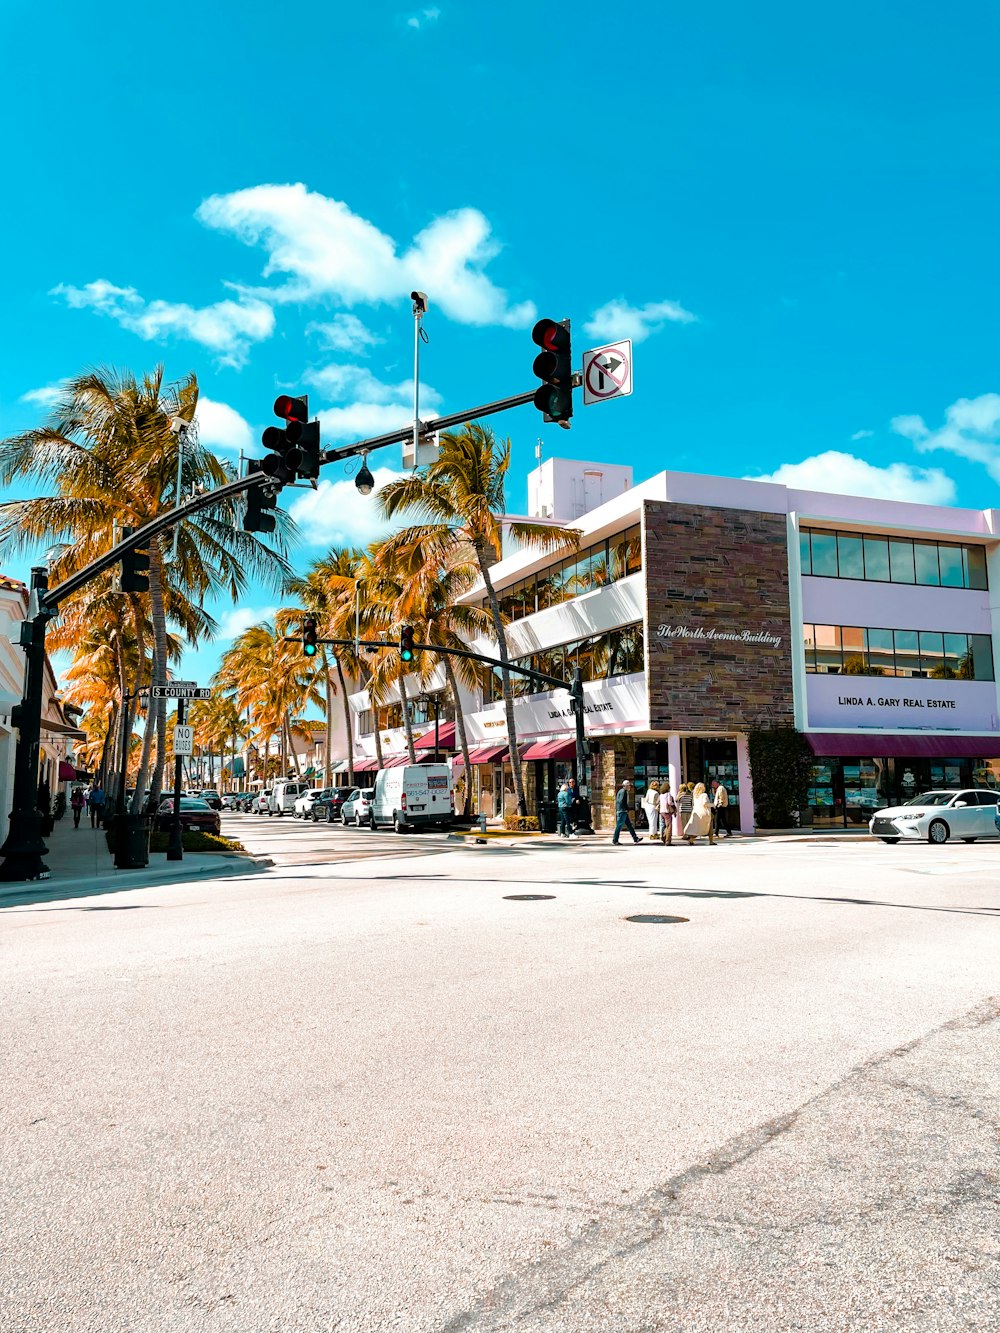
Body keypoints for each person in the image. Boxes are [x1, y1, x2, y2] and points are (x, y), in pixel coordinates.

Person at [683, 781, 716, 846]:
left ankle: (691, 840)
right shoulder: (704, 795)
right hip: (704, 813)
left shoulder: (695, 796)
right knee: (710, 826)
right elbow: (705, 803)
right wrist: (713, 805)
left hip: (697, 813)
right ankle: (711, 841)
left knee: (696, 828)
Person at [612, 779, 642, 845]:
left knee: (629, 825)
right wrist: (626, 808)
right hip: (622, 811)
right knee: (619, 826)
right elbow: (621, 801)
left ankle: (635, 838)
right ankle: (615, 840)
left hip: (622, 811)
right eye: (628, 786)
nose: (629, 787)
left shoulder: (622, 791)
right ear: (625, 786)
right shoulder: (623, 792)